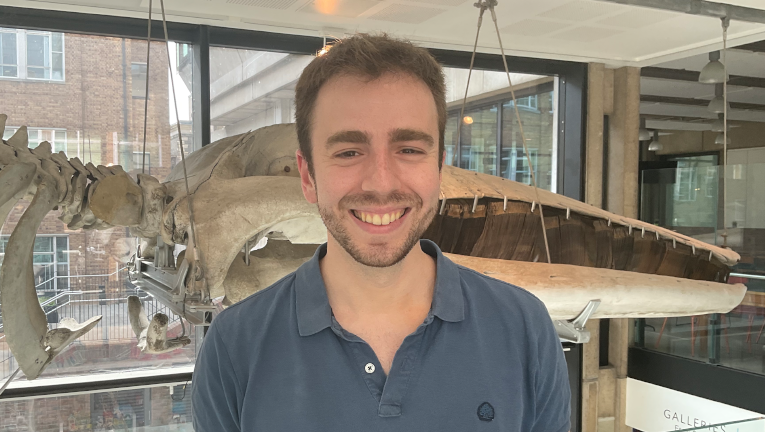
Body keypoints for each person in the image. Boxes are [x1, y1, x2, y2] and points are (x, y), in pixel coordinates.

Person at [192, 33, 570, 431]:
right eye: (349, 152)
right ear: (307, 176)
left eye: (408, 149)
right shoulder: (235, 347)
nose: (380, 183)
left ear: (438, 169)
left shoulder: (524, 329)